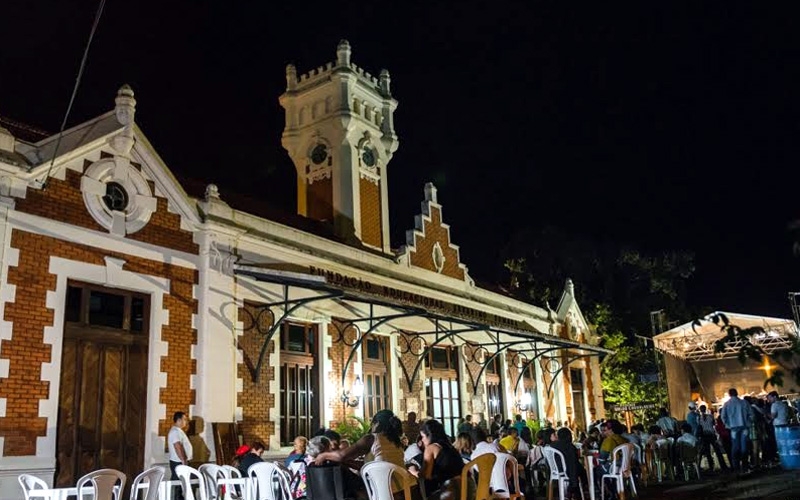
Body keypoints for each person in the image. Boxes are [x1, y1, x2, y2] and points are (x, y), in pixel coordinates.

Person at [314, 409, 406, 497]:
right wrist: (346, 462)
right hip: (405, 489)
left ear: (377, 424)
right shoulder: (396, 441)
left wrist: (323, 455)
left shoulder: (372, 438)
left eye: (372, 424)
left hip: (385, 492)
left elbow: (341, 455)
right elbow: (371, 466)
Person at [411, 419, 465, 500]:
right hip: (467, 489)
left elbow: (426, 475)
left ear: (429, 435)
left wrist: (413, 472)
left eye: (422, 436)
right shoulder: (450, 446)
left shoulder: (431, 448)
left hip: (451, 492)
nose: (421, 440)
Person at [720, 387, 753, 472]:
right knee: (744, 447)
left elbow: (723, 417)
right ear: (737, 393)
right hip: (744, 427)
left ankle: (736, 467)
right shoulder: (744, 402)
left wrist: (728, 425)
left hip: (733, 429)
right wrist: (748, 423)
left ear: (729, 394)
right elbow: (751, 415)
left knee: (735, 447)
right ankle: (745, 466)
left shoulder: (726, 404)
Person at [550, 427, 585, 492]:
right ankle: (579, 487)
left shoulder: (553, 445)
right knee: (582, 469)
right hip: (568, 471)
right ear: (569, 436)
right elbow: (574, 461)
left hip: (556, 470)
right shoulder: (569, 446)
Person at [168, 412, 192, 500]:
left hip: (179, 462)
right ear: (179, 420)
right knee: (178, 485)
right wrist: (184, 460)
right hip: (178, 462)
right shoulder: (175, 431)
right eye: (184, 419)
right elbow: (177, 446)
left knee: (180, 485)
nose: (186, 422)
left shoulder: (178, 431)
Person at [697, 405, 727, 472]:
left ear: (700, 410)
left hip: (705, 435)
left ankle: (711, 466)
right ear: (705, 409)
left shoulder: (699, 418)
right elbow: (713, 424)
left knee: (708, 452)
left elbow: (700, 427)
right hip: (712, 435)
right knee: (717, 451)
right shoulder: (710, 416)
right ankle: (723, 466)